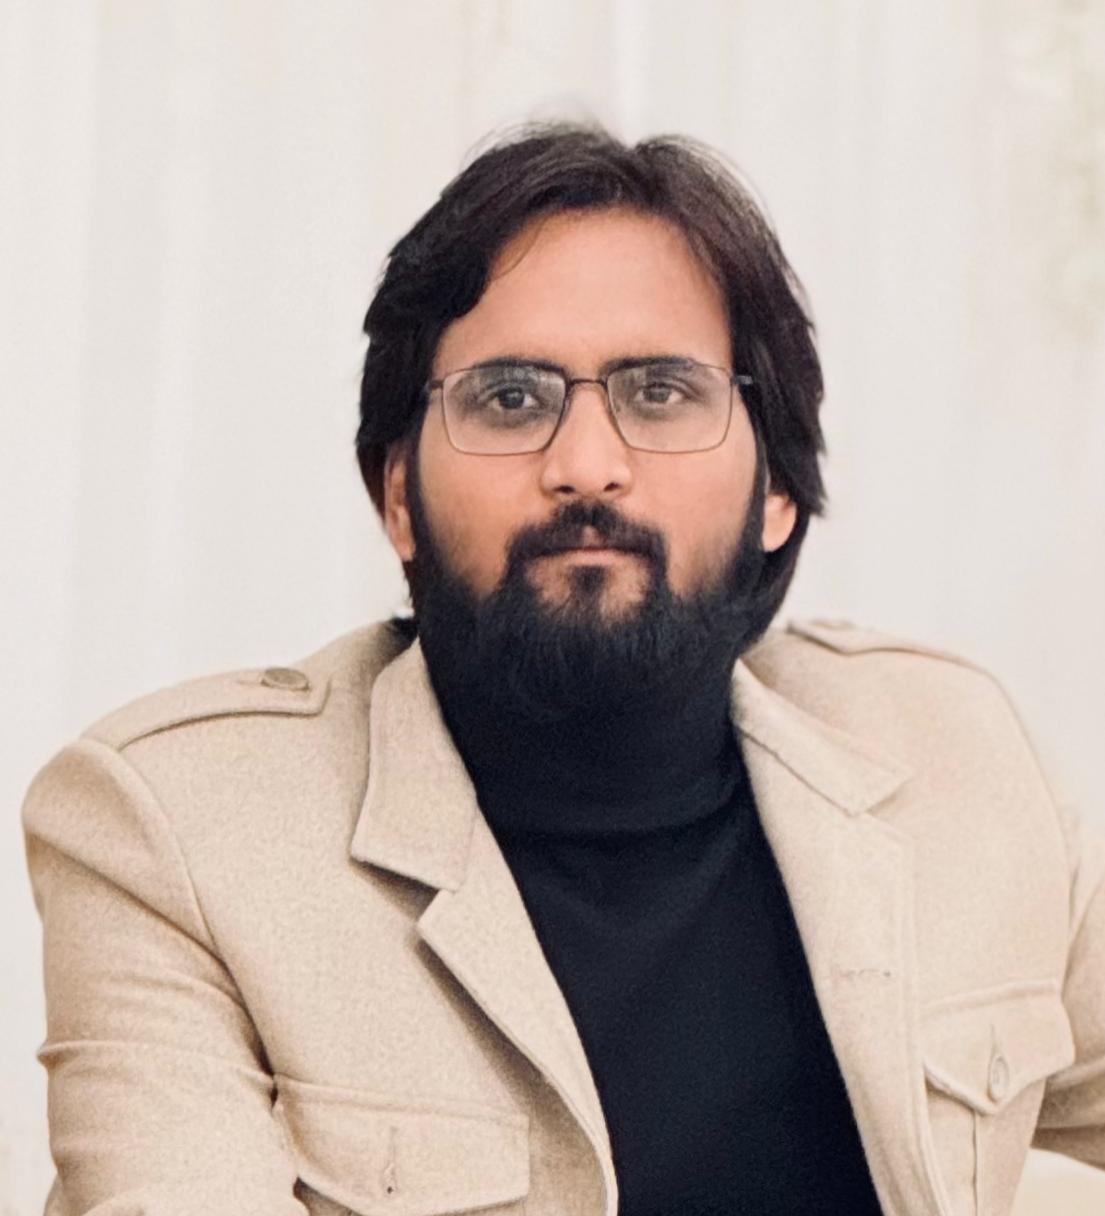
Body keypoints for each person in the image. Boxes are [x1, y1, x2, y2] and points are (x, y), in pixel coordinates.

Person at [22, 123, 1104, 1216]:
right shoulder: (176, 830)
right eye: (510, 399)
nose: (586, 466)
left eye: (661, 392)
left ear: (776, 489)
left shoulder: (954, 756)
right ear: (397, 495)